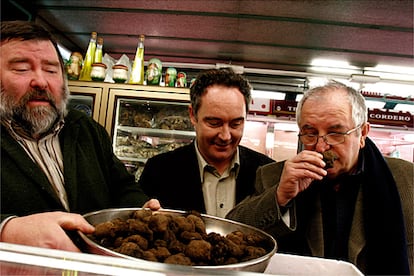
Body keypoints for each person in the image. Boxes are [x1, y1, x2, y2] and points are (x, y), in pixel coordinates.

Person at [0, 21, 160, 252]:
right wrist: (7, 230)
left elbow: (121, 186)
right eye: (22, 69)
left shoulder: (86, 129)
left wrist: (140, 208)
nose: (41, 81)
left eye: (51, 70)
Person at [226, 81, 413, 275]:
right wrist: (280, 196)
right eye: (310, 134)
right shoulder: (273, 176)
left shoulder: (406, 180)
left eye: (335, 133)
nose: (321, 147)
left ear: (363, 133)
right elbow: (232, 235)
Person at [138, 68, 274, 218]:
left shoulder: (267, 172)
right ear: (193, 115)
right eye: (214, 123)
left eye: (236, 124)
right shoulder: (159, 171)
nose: (225, 136)